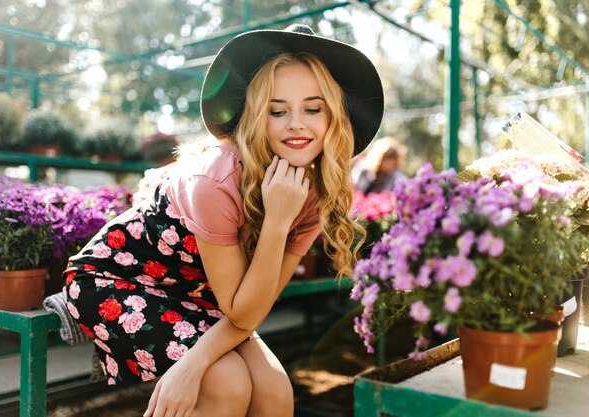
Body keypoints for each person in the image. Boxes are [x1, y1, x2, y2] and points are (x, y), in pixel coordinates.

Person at [62, 24, 383, 417]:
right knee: (228, 385)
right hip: (116, 281)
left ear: (334, 117)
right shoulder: (216, 179)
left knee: (274, 391)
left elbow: (254, 308)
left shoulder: (316, 186)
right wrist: (277, 220)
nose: (296, 123)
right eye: (277, 110)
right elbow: (241, 311)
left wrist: (192, 362)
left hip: (196, 297)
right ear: (253, 117)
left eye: (312, 109)